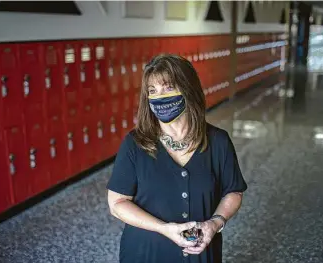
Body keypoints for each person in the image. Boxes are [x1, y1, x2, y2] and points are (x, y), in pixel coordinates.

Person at [106, 54, 247, 263]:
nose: (159, 97)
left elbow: (233, 192)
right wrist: (163, 228)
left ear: (188, 90)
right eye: (152, 91)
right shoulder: (134, 144)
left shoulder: (218, 141)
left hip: (200, 255)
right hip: (145, 254)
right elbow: (117, 203)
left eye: (167, 88)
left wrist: (215, 223)